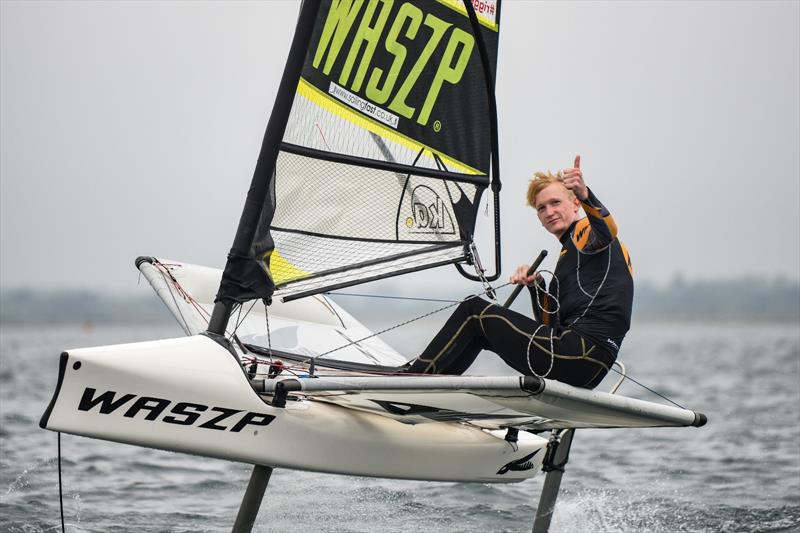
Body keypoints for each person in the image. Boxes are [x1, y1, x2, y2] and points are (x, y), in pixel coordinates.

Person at [403, 155, 633, 389]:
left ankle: (411, 383)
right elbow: (551, 326)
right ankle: (432, 393)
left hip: (581, 353)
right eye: (541, 208)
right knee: (481, 331)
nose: (549, 212)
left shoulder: (584, 232)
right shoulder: (571, 257)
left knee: (474, 312)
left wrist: (585, 195)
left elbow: (608, 231)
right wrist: (536, 285)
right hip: (589, 366)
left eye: (555, 202)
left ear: (574, 204)